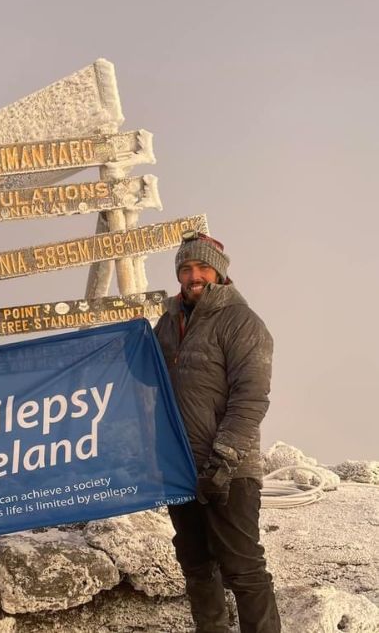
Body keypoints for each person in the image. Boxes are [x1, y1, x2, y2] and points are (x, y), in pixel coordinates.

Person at [154, 231, 280, 633]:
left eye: (202, 268)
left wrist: (223, 460)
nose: (194, 276)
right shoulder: (167, 324)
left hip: (230, 470)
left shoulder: (241, 322)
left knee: (243, 567)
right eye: (186, 269)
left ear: (219, 273)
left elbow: (251, 398)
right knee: (196, 565)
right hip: (180, 469)